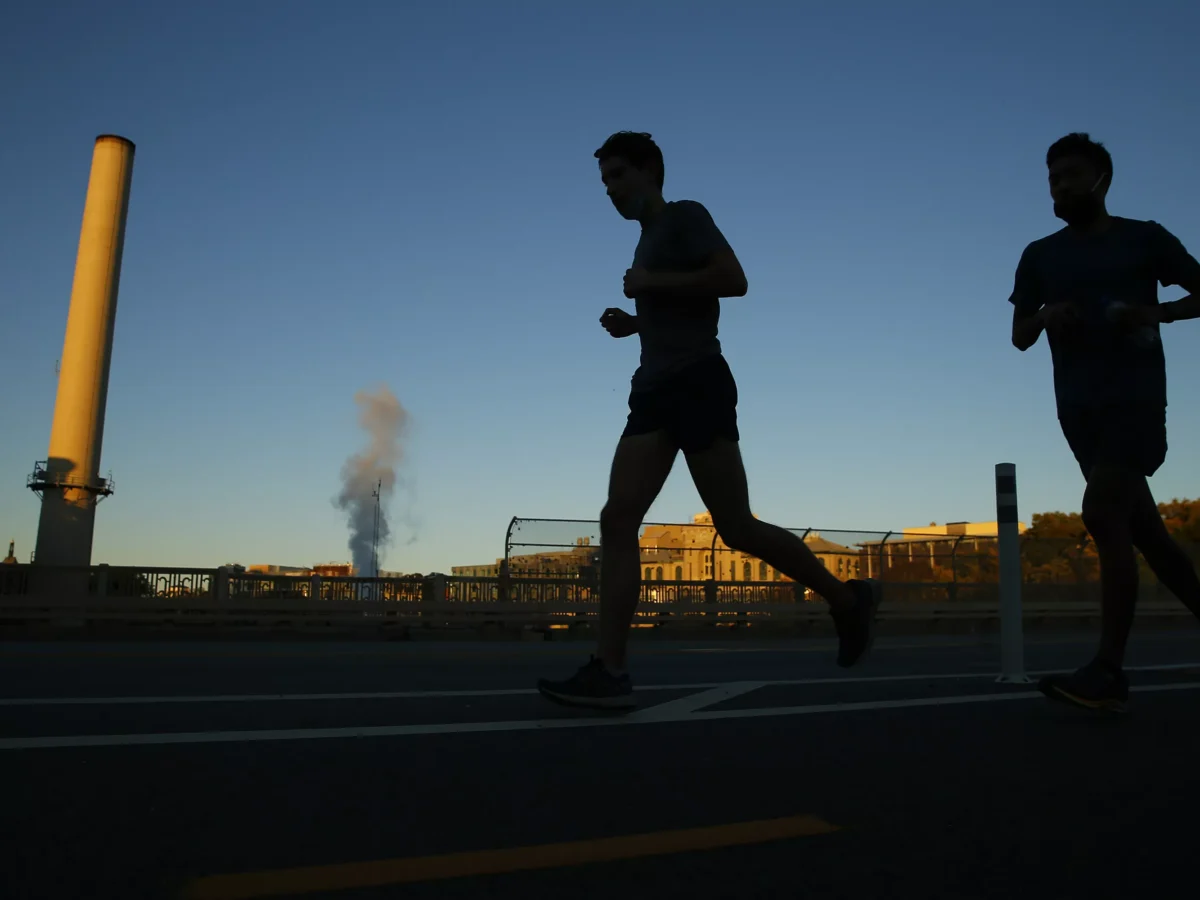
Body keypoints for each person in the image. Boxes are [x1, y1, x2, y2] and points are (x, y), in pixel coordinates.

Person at [537, 131, 881, 710]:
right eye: (604, 182)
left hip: (698, 382)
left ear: (650, 170)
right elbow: (681, 314)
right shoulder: (647, 240)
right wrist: (636, 324)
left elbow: (733, 280)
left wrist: (651, 285)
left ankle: (847, 601)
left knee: (736, 527)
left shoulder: (684, 217)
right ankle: (610, 670)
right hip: (652, 390)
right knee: (618, 520)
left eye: (618, 176)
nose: (610, 191)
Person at [1009, 132, 1200, 714]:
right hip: (1078, 412)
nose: (1059, 187)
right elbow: (1019, 337)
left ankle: (1108, 672)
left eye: (1069, 175)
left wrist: (1156, 311)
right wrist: (1045, 314)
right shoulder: (1040, 255)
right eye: (1052, 180)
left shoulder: (1145, 239)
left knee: (1100, 511)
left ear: (1102, 180)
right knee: (1153, 541)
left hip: (1135, 403)